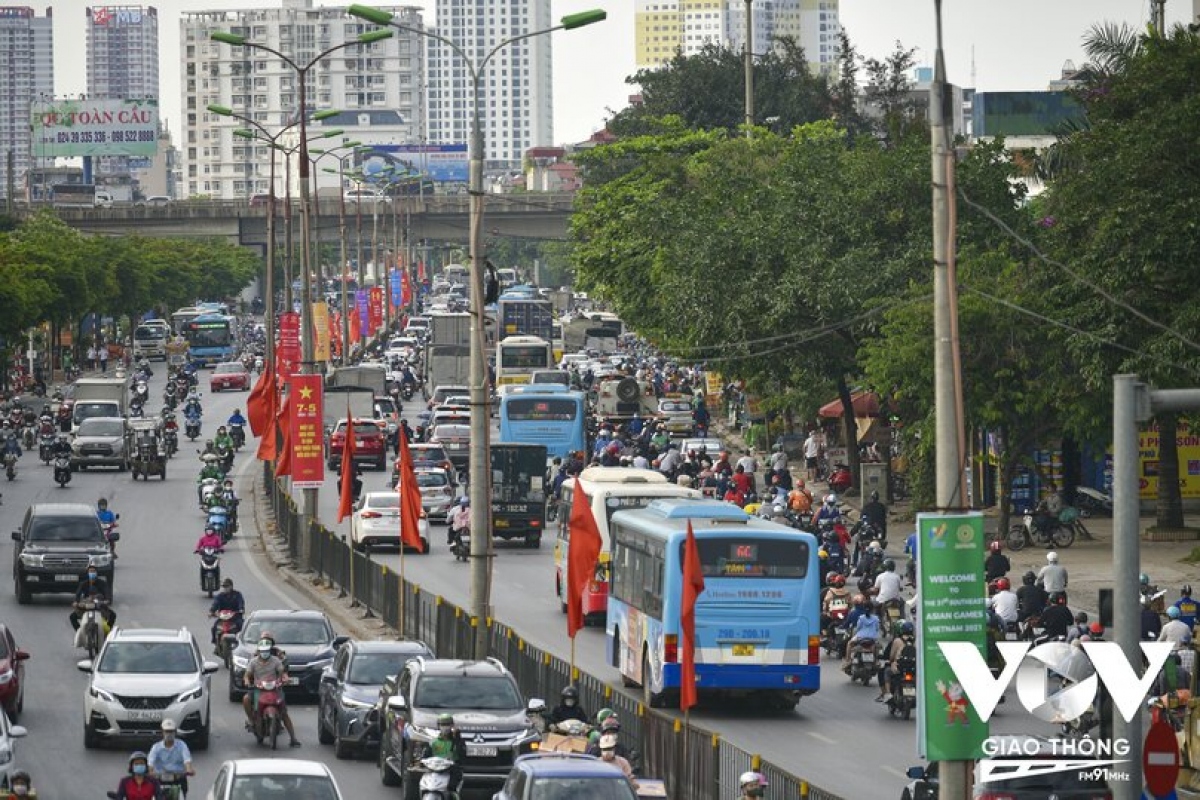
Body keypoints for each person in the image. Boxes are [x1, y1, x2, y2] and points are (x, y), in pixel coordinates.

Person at [242, 639, 301, 747]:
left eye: (267, 650)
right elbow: (247, 674)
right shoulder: (253, 662)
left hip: (275, 689)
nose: (264, 653)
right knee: (246, 699)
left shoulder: (276, 661)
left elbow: (282, 673)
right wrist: (247, 680)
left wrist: (285, 679)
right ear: (259, 651)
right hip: (258, 689)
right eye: (262, 651)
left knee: (284, 713)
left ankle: (293, 738)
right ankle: (251, 720)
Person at [148, 719, 194, 797]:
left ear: (175, 732)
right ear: (162, 732)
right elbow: (151, 762)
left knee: (183, 791)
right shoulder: (156, 747)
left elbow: (187, 759)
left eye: (171, 731)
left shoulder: (182, 745)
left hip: (178, 779)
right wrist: (150, 771)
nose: (169, 734)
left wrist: (189, 769)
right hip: (159, 779)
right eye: (166, 731)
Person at [426, 713, 466, 792]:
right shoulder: (434, 741)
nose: (445, 727)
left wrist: (457, 739)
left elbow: (462, 754)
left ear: (452, 726)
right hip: (435, 770)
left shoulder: (457, 741)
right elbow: (426, 755)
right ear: (438, 726)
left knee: (451, 788)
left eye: (447, 724)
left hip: (452, 770)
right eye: (443, 724)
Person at [878, 620, 917, 702]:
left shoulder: (897, 641)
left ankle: (888, 693)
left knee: (887, 672)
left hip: (900, 668)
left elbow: (891, 656)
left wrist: (892, 660)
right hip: (914, 668)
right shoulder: (916, 641)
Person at [70, 566, 116, 631]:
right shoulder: (83, 584)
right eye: (90, 571)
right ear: (88, 573)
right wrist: (76, 602)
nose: (92, 573)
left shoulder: (102, 583)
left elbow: (107, 593)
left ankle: (107, 632)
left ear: (96, 573)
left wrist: (107, 600)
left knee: (112, 615)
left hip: (99, 606)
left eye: (93, 571)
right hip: (86, 606)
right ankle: (79, 631)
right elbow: (78, 594)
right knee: (72, 617)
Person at [843, 597, 881, 672]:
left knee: (849, 644)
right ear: (873, 609)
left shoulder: (861, 618)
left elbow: (858, 628)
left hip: (860, 637)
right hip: (872, 638)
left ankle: (848, 660)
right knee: (878, 647)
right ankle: (876, 661)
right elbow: (877, 628)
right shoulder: (876, 618)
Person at [209, 578, 245, 646]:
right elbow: (215, 604)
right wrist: (211, 611)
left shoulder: (237, 595)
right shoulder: (220, 596)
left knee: (242, 626)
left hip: (235, 617)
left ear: (231, 586)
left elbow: (240, 603)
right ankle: (215, 642)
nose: (225, 588)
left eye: (226, 586)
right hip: (223, 617)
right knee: (214, 628)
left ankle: (241, 642)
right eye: (224, 586)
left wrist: (241, 609)